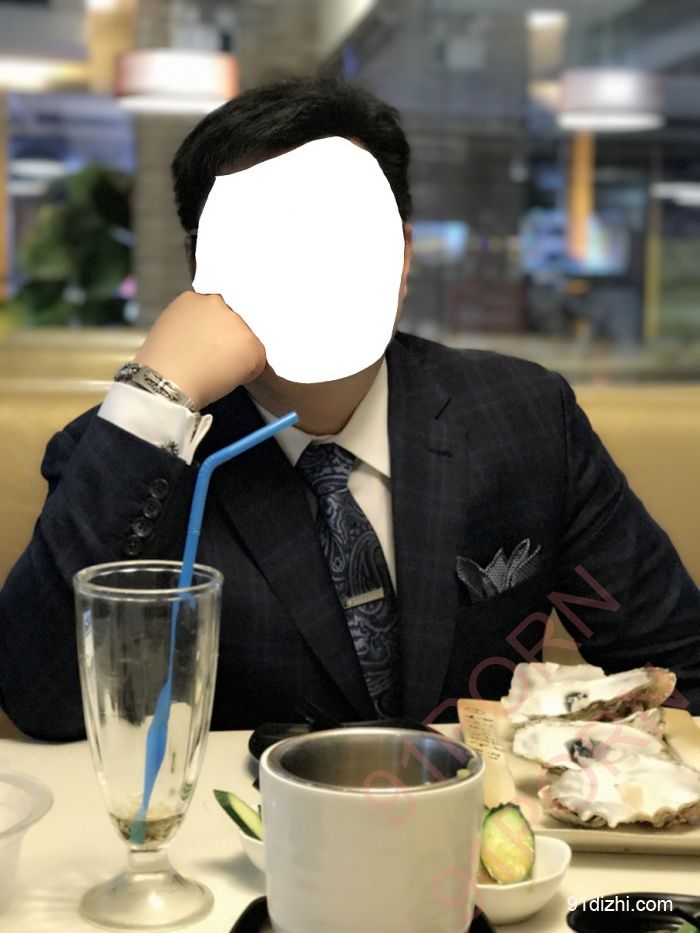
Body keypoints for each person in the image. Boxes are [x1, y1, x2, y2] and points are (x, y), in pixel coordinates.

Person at [0, 78, 698, 742]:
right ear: (200, 268)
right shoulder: (127, 454)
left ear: (401, 256)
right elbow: (42, 703)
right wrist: (153, 400)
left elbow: (678, 661)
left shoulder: (525, 418)